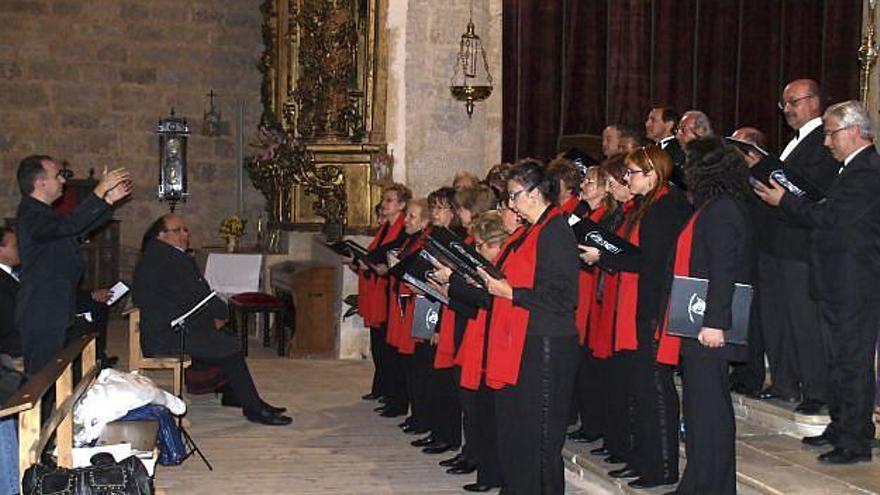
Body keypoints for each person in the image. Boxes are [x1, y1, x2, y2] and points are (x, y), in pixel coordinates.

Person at [754, 100, 880, 464]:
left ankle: (854, 441)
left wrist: (785, 201)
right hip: (836, 281)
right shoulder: (849, 169)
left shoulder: (868, 170)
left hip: (854, 284)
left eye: (830, 133)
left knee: (851, 362)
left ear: (853, 131)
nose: (827, 142)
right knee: (837, 359)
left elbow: (833, 219)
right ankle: (842, 426)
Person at [581, 146, 691, 489]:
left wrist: (604, 257)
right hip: (636, 308)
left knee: (655, 391)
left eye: (632, 173)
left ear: (653, 173)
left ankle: (662, 467)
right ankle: (643, 460)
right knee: (639, 391)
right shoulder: (646, 206)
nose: (627, 179)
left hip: (653, 310)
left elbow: (652, 264)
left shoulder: (665, 208)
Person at [479, 159, 580, 494]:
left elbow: (564, 297)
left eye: (515, 195)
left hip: (547, 342)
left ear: (537, 193)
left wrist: (511, 292)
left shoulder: (556, 230)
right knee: (517, 429)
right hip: (525, 339)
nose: (511, 203)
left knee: (539, 437)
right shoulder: (531, 231)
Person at [660, 136, 754, 495]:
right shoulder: (711, 205)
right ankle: (699, 482)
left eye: (689, 162)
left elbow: (724, 269)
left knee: (710, 409)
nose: (684, 169)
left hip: (710, 325)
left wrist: (715, 321)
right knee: (698, 410)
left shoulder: (723, 209)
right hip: (697, 321)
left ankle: (714, 486)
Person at [133, 214, 292, 426]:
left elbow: (186, 297)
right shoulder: (170, 259)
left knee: (223, 336)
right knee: (229, 347)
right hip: (168, 336)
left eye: (185, 229)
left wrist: (214, 318)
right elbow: (199, 295)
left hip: (165, 328)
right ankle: (254, 409)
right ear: (161, 235)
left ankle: (234, 394)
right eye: (177, 230)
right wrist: (222, 313)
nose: (184, 234)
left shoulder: (158, 255)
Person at [756, 79, 837, 415]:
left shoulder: (823, 142)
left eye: (795, 102)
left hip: (801, 245)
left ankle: (816, 389)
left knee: (803, 320)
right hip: (776, 242)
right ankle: (785, 382)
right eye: (784, 104)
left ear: (815, 102)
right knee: (777, 318)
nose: (788, 109)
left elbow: (817, 191)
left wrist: (783, 198)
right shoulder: (793, 142)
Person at [15, 155, 131, 374]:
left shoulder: (44, 214)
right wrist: (98, 192)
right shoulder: (31, 212)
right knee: (40, 378)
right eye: (57, 175)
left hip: (55, 306)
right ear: (40, 183)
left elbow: (74, 231)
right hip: (42, 309)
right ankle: (21, 410)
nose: (63, 181)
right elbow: (70, 226)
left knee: (55, 374)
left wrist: (107, 201)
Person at [355, 183, 409, 403]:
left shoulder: (403, 229)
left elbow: (389, 252)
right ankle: (381, 387)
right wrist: (357, 261)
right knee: (378, 343)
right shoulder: (386, 227)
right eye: (384, 200)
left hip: (390, 292)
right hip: (380, 288)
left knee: (388, 346)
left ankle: (391, 392)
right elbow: (375, 254)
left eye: (389, 200)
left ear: (401, 205)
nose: (384, 204)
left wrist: (364, 259)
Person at [645, 106, 685, 188]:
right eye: (648, 120)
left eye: (653, 120)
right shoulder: (649, 149)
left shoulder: (678, 150)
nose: (647, 124)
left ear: (669, 125)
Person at [0, 228, 20, 358]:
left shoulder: (15, 273)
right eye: (16, 245)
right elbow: (10, 323)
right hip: (12, 350)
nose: (20, 249)